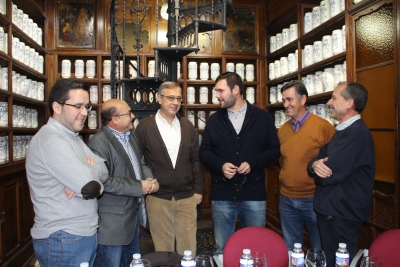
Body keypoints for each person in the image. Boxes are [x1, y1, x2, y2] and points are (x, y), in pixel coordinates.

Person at [25, 79, 109, 267]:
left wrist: (88, 171)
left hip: (77, 234)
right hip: (63, 237)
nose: (85, 113)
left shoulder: (72, 137)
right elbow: (90, 187)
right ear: (57, 107)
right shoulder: (51, 140)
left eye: (87, 106)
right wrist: (88, 177)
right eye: (78, 106)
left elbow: (105, 168)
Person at [199, 72, 280, 254]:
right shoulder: (214, 120)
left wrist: (254, 162)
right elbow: (204, 152)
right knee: (222, 248)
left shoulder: (263, 118)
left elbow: (274, 150)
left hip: (253, 193)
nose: (217, 95)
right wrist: (220, 165)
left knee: (255, 247)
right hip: (222, 194)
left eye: (221, 90)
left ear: (236, 90)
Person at [307, 82, 375, 267]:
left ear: (350, 103)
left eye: (334, 98)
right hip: (334, 213)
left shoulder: (355, 134)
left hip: (341, 216)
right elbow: (316, 161)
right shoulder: (343, 131)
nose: (329, 102)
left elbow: (327, 174)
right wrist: (314, 164)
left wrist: (316, 167)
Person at [135, 81, 204, 255]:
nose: (175, 102)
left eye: (179, 99)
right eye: (170, 97)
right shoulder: (144, 127)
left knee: (188, 250)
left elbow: (196, 160)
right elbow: (137, 160)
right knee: (163, 251)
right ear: (159, 99)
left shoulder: (188, 126)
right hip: (157, 198)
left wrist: (199, 189)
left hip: (187, 197)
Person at [87, 99, 159, 267]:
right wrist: (139, 186)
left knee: (133, 263)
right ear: (115, 119)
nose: (133, 116)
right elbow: (105, 180)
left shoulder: (130, 136)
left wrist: (149, 179)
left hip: (132, 219)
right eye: (128, 113)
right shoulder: (99, 143)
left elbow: (140, 163)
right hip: (112, 225)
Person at [278, 81, 335, 251]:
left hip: (314, 199)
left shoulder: (324, 127)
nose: (285, 105)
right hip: (286, 198)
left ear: (303, 99)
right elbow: (283, 161)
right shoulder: (282, 129)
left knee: (319, 249)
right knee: (291, 250)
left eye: (289, 99)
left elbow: (333, 163)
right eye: (283, 100)